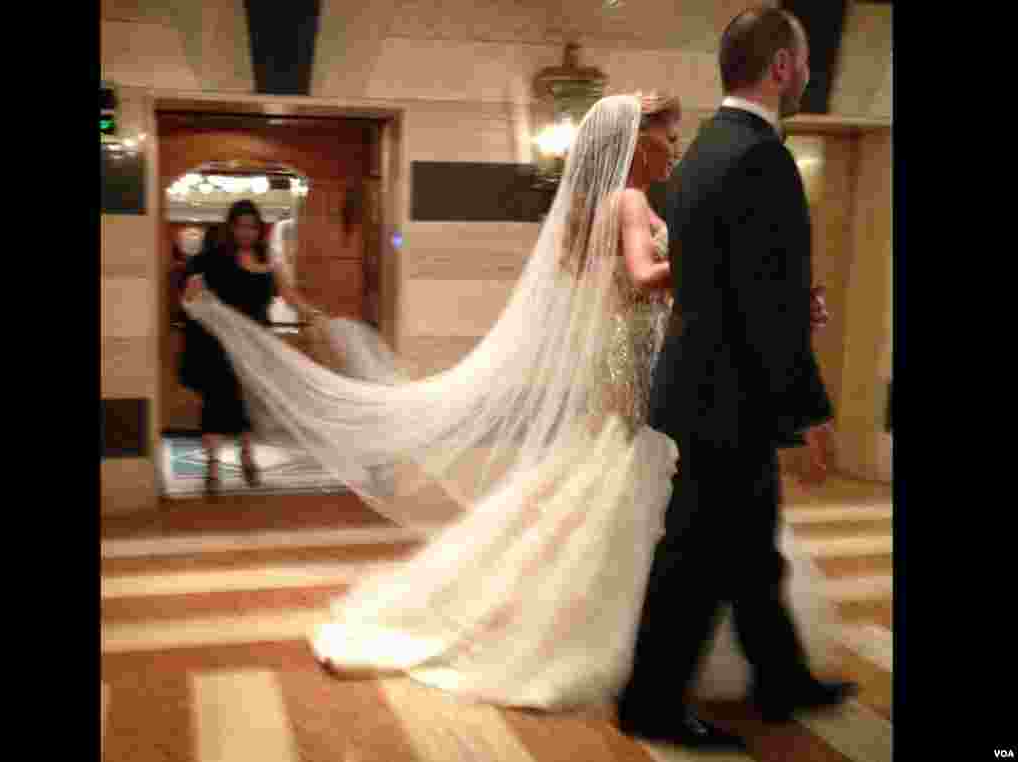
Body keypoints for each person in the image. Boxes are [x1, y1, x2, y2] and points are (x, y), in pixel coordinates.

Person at [181, 92, 836, 712]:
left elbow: (631, 292)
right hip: (638, 370)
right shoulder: (630, 201)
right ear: (635, 144)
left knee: (619, 492)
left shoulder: (604, 205)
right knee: (643, 493)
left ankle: (655, 637)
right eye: (666, 133)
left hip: (630, 360)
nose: (676, 142)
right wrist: (726, 261)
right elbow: (643, 280)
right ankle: (642, 645)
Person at [617, 7, 855, 751]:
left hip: (706, 385)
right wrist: (810, 409)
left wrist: (790, 302)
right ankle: (650, 703)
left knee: (751, 550)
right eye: (805, 59)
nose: (810, 72)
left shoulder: (702, 156)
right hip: (731, 395)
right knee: (694, 557)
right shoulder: (760, 156)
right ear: (781, 67)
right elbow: (756, 304)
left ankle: (780, 677)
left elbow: (725, 283)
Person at [180, 200, 315, 496]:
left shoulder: (269, 262)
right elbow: (189, 295)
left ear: (259, 230)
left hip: (256, 346)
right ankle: (213, 466)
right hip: (217, 345)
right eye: (241, 226)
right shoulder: (211, 259)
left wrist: (313, 314)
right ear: (231, 227)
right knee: (216, 402)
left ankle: (246, 455)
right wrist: (199, 301)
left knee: (247, 404)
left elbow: (290, 296)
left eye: (252, 226)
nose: (246, 232)